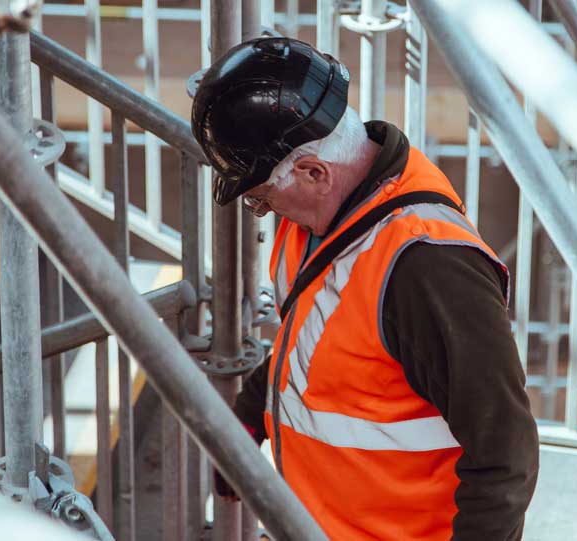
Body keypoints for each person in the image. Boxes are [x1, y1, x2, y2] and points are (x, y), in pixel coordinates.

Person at [191, 36, 539, 540]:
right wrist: (251, 413)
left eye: (262, 197)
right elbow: (318, 337)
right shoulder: (321, 221)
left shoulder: (427, 267)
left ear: (313, 172)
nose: (263, 210)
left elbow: (505, 455)